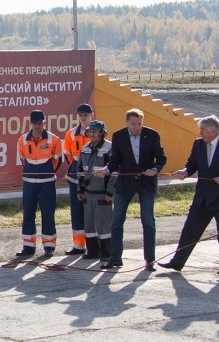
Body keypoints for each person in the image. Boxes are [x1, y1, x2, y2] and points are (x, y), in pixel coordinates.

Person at [159, 115, 219, 272]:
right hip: (202, 197)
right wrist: (185, 171)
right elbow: (192, 164)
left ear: (213, 131)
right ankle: (177, 262)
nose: (200, 133)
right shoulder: (198, 144)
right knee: (190, 230)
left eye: (202, 130)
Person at [98, 108, 166, 270]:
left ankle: (150, 260)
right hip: (125, 183)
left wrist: (155, 169)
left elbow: (161, 157)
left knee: (148, 221)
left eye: (139, 124)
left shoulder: (152, 135)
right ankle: (115, 258)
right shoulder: (119, 136)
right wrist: (106, 170)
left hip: (146, 183)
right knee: (117, 221)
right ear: (127, 122)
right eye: (134, 124)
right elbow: (114, 160)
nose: (137, 127)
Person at [15, 109, 63, 258]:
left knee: (48, 214)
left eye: (40, 123)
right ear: (31, 123)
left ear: (44, 122)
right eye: (35, 123)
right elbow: (22, 159)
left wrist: (46, 173)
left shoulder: (54, 140)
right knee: (28, 213)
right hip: (29, 183)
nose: (37, 126)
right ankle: (28, 246)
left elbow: (58, 161)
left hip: (47, 183)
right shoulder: (22, 140)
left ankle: (49, 246)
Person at [76, 120, 116, 260]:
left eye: (95, 131)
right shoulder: (85, 148)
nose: (92, 134)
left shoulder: (110, 148)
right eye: (90, 131)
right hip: (88, 193)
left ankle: (107, 253)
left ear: (102, 133)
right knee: (89, 225)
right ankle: (93, 251)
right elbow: (80, 171)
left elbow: (115, 172)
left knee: (103, 225)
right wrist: (79, 190)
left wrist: (110, 192)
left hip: (102, 194)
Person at [63, 103, 94, 255]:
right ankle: (78, 245)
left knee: (91, 211)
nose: (83, 118)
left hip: (91, 174)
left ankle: (92, 245)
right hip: (75, 174)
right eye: (81, 115)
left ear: (91, 116)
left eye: (86, 115)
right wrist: (76, 167)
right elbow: (68, 154)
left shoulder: (96, 132)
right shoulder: (70, 134)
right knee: (76, 211)